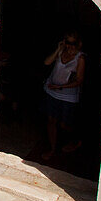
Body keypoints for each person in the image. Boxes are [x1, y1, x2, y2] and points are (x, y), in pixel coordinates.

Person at [41, 32, 86, 161]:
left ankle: (76, 140)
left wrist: (60, 87)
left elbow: (79, 80)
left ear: (78, 44)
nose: (69, 46)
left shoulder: (80, 58)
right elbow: (47, 62)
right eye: (67, 42)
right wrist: (58, 49)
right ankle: (52, 149)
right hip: (52, 92)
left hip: (68, 97)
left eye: (73, 43)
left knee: (65, 124)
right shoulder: (61, 52)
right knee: (51, 121)